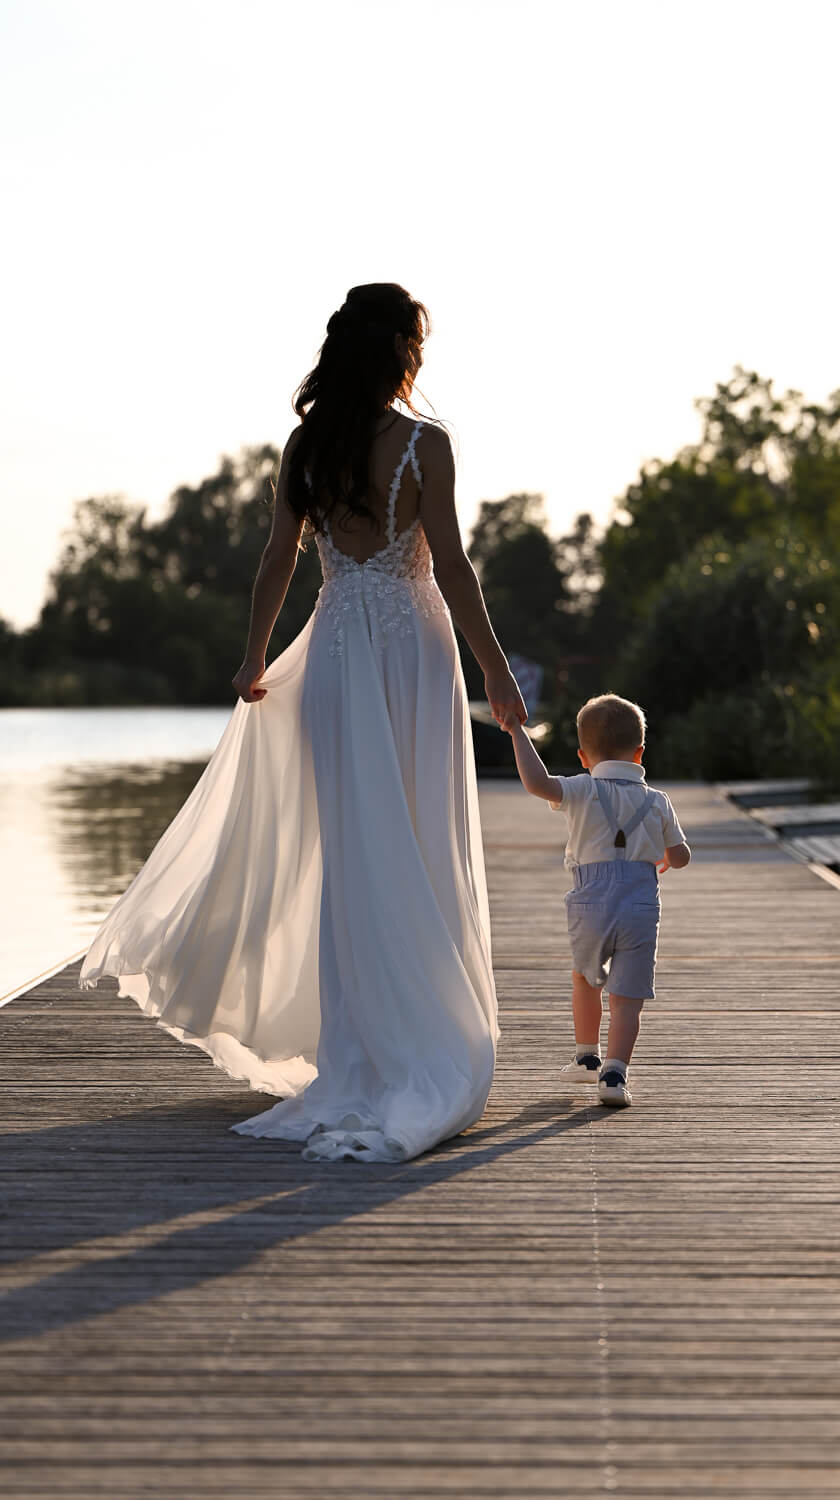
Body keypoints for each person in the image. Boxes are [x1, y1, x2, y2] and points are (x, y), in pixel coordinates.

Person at [81, 282, 527, 1162]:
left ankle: (361, 1049)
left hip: (336, 651)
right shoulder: (425, 445)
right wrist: (497, 675)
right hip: (413, 648)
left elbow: (277, 563)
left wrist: (253, 658)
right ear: (400, 349)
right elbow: (457, 567)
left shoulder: (307, 444)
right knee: (420, 839)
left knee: (357, 848)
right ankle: (418, 1042)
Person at [501, 693, 690, 1107]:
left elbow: (538, 782)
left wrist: (517, 731)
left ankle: (587, 1056)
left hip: (591, 899)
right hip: (640, 903)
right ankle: (615, 1073)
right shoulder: (657, 800)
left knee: (586, 976)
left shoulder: (582, 788)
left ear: (584, 756)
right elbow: (681, 856)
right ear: (640, 751)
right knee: (627, 996)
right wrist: (664, 856)